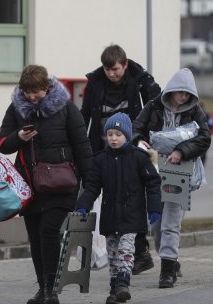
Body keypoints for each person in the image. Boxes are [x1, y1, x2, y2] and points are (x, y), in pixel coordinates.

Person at [0, 65, 93, 304]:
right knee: (36, 238)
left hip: (62, 184)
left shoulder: (66, 108)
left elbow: (82, 146)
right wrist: (18, 136)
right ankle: (43, 289)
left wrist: (90, 186)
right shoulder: (17, 109)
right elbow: (1, 144)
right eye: (27, 92)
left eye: (36, 92)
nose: (31, 97)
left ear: (47, 88)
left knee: (49, 233)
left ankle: (51, 291)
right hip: (30, 186)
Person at [81, 44, 161, 275]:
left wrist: (145, 137)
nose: (111, 74)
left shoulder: (139, 80)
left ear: (125, 65)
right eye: (107, 69)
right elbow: (85, 116)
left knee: (133, 198)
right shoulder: (95, 83)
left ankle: (139, 252)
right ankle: (123, 254)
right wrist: (84, 150)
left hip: (132, 149)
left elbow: (156, 107)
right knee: (109, 199)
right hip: (102, 151)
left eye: (115, 69)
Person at [132, 68, 211, 289]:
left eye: (187, 93)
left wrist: (182, 151)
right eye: (180, 92)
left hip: (181, 173)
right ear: (172, 90)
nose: (183, 97)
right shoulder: (153, 106)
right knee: (156, 223)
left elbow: (204, 137)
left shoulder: (195, 110)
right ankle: (171, 260)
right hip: (154, 173)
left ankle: (167, 272)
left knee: (171, 223)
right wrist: (140, 141)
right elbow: (135, 129)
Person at [75, 112, 162, 304]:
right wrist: (83, 205)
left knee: (125, 250)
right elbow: (92, 187)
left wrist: (154, 208)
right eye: (110, 134)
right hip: (110, 216)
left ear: (127, 135)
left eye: (118, 134)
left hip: (132, 216)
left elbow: (153, 183)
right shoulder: (100, 160)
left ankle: (124, 283)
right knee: (113, 254)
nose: (113, 138)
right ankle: (115, 290)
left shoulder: (139, 158)